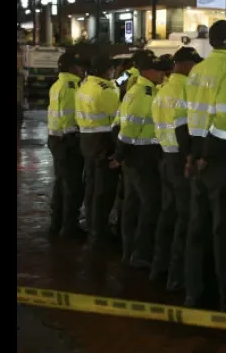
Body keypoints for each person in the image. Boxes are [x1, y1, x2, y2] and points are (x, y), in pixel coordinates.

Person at [183, 20, 226, 313]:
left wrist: (194, 155)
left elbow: (193, 116)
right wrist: (209, 155)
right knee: (225, 233)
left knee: (198, 229)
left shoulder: (198, 70)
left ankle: (195, 292)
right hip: (222, 158)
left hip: (200, 156)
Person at [150, 47, 202, 290]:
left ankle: (159, 267)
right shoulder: (185, 88)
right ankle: (177, 277)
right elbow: (185, 126)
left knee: (167, 214)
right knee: (185, 220)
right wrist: (191, 158)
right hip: (180, 160)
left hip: (165, 157)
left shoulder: (162, 89)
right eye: (194, 64)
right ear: (185, 65)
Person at [114, 51, 171, 268]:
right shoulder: (144, 93)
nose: (161, 74)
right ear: (147, 71)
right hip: (141, 156)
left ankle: (129, 250)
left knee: (133, 204)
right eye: (157, 71)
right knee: (148, 206)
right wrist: (120, 154)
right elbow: (130, 127)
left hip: (134, 155)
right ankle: (140, 254)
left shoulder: (138, 89)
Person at [76, 54, 121, 246]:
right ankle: (99, 233)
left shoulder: (84, 86)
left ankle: (92, 228)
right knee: (104, 190)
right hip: (103, 142)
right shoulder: (105, 90)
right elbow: (118, 117)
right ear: (105, 70)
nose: (112, 72)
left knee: (92, 188)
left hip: (87, 141)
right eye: (111, 69)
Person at [46, 51, 87, 238]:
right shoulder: (72, 86)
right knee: (73, 186)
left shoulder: (57, 84)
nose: (82, 71)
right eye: (79, 67)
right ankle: (69, 228)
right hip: (68, 140)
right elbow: (71, 116)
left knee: (61, 184)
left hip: (56, 139)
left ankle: (56, 224)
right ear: (72, 68)